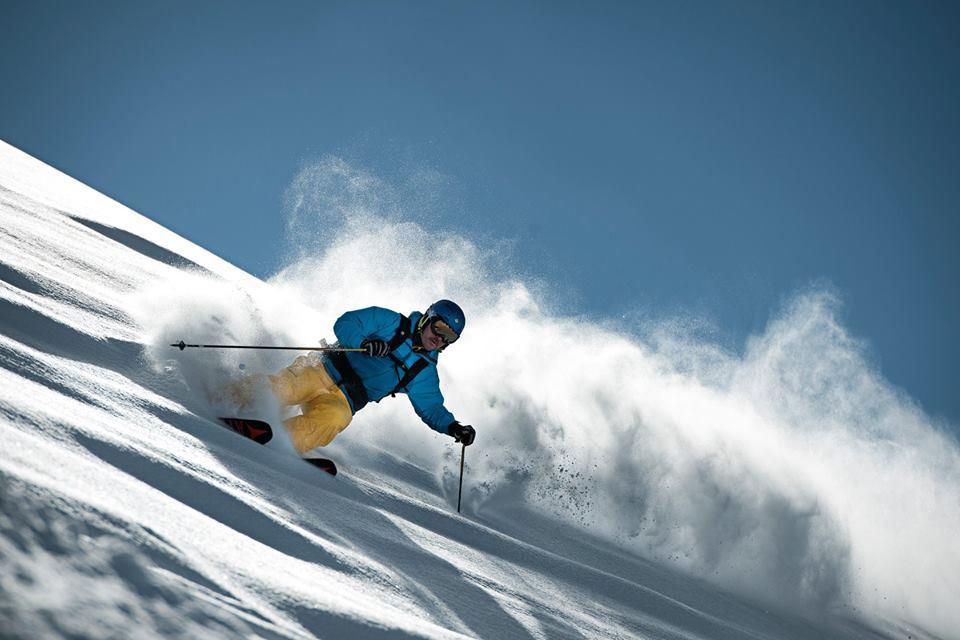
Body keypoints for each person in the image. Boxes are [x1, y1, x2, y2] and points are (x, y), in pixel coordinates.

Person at [268, 299, 476, 454]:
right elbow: (346, 322)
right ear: (426, 319)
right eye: (439, 328)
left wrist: (453, 427)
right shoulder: (391, 322)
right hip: (323, 370)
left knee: (335, 419)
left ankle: (279, 439)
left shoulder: (424, 371)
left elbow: (431, 407)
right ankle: (239, 397)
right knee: (287, 390)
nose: (439, 338)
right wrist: (363, 344)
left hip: (344, 399)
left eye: (449, 337)